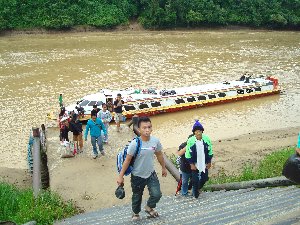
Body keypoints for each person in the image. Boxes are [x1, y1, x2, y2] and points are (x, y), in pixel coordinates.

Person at [117, 116, 167, 221]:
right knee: (137, 196)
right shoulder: (135, 144)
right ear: (139, 129)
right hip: (137, 176)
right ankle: (135, 213)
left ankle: (149, 207)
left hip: (151, 174)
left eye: (149, 127)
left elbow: (159, 155)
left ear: (152, 128)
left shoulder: (155, 141)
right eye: (144, 128)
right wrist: (120, 176)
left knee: (157, 194)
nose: (147, 130)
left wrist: (163, 168)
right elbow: (127, 160)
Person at [184, 120, 213, 198]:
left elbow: (210, 151)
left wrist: (209, 162)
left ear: (202, 131)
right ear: (194, 132)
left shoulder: (206, 139)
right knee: (195, 180)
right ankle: (196, 195)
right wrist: (191, 164)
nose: (198, 133)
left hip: (204, 162)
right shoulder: (190, 141)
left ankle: (197, 188)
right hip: (195, 163)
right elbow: (187, 154)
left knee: (205, 178)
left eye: (200, 131)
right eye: (196, 131)